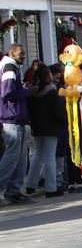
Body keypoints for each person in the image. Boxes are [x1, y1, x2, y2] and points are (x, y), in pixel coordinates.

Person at [0, 43, 36, 206]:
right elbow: (7, 92)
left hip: (16, 117)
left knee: (20, 158)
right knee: (13, 156)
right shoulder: (9, 67)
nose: (23, 56)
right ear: (12, 53)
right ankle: (5, 188)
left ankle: (13, 190)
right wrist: (27, 91)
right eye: (20, 53)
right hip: (11, 118)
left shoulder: (11, 67)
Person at [24, 65, 65, 197]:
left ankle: (30, 185)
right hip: (51, 128)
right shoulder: (52, 92)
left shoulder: (32, 93)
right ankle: (51, 188)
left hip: (36, 127)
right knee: (49, 157)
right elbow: (57, 112)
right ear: (48, 76)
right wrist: (62, 122)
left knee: (37, 155)